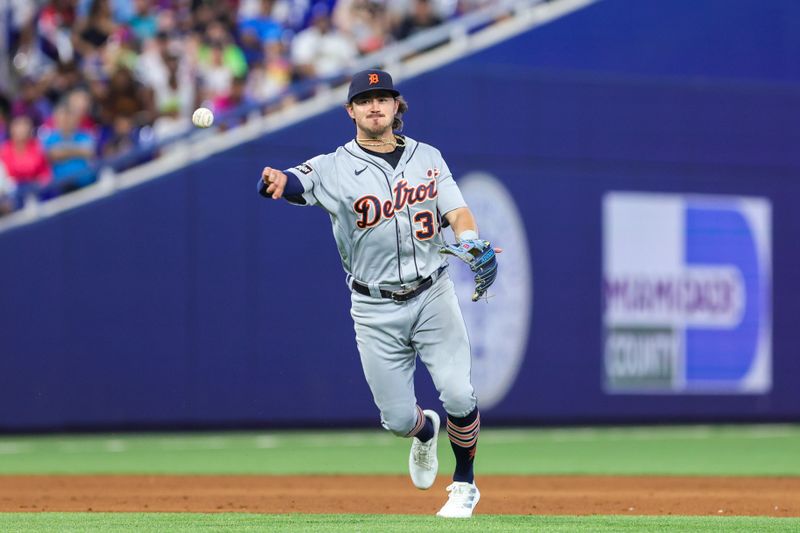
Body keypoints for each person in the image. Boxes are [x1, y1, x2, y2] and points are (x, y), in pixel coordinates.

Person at [257, 69, 498, 518]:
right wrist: (274, 180)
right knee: (397, 421)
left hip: (432, 294)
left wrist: (469, 239)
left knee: (459, 393)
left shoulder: (428, 157)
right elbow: (294, 182)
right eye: (365, 100)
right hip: (373, 306)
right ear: (350, 110)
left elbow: (458, 211)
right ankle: (425, 431)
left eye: (383, 98)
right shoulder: (333, 166)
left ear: (396, 106)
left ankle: (464, 482)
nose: (375, 106)